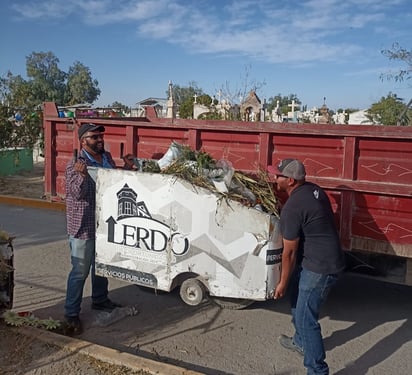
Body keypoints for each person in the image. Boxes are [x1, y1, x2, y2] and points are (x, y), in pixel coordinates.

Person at [268, 158, 345, 375]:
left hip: (320, 267)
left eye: (278, 176)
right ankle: (301, 342)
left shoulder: (293, 208)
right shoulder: (313, 190)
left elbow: (289, 252)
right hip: (324, 257)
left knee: (305, 317)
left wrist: (281, 282)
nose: (275, 178)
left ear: (290, 181)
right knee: (297, 298)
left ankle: (317, 370)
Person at [64, 123, 136, 335]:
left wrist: (127, 169)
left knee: (101, 265)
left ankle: (100, 300)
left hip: (104, 223)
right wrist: (82, 176)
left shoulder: (106, 158)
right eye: (94, 137)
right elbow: (77, 194)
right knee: (79, 271)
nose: (100, 140)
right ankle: (71, 314)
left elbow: (114, 184)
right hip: (84, 225)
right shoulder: (76, 164)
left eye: (101, 136)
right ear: (83, 140)